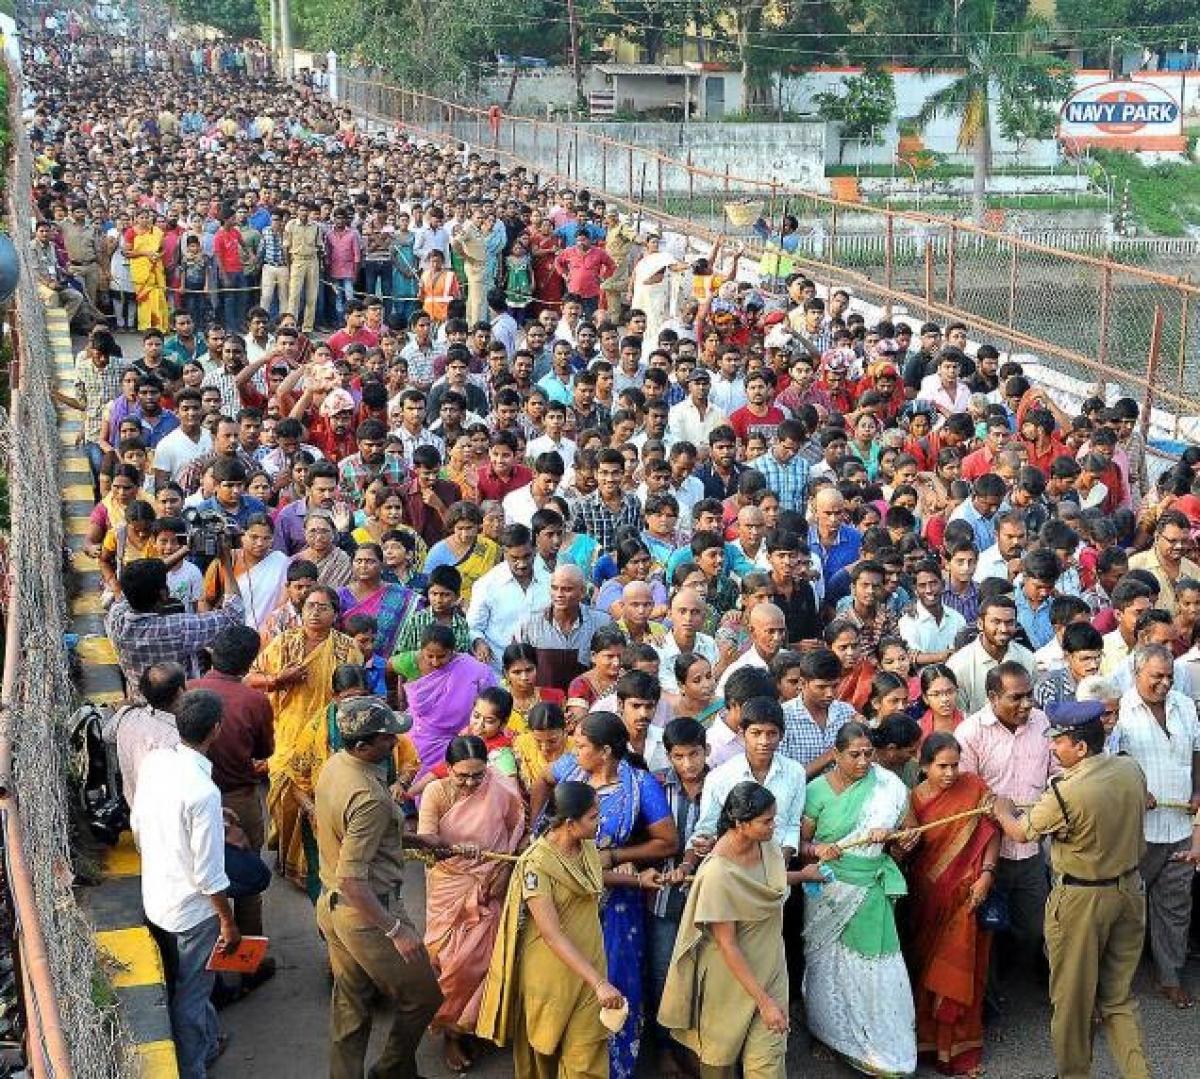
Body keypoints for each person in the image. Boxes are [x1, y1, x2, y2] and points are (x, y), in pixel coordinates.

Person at [990, 701, 1152, 1079]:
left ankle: (1073, 1074)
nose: (1052, 747)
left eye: (1058, 741)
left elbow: (1022, 832)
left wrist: (1000, 808)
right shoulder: (1130, 768)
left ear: (1080, 747)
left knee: (1072, 1002)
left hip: (1082, 900)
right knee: (1118, 998)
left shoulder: (1065, 792)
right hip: (1129, 892)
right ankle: (1138, 1073)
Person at [536, 712, 678, 1078]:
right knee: (566, 972)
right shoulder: (572, 771)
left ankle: (613, 1065)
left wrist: (616, 855)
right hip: (567, 894)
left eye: (582, 746)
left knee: (615, 976)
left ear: (605, 751)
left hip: (616, 903)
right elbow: (543, 788)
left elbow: (668, 842)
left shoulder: (639, 784)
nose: (575, 750)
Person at [313, 697, 445, 1079]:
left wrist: (420, 841)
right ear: (362, 745)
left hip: (333, 906)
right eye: (388, 738)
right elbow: (353, 878)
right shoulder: (368, 796)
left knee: (351, 1005)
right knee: (423, 997)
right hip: (367, 911)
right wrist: (395, 929)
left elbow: (358, 838)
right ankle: (391, 1071)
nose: (395, 743)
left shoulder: (338, 766)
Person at [476, 781, 625, 1077]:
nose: (600, 822)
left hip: (590, 969)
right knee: (545, 1054)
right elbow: (551, 934)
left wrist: (639, 880)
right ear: (570, 823)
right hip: (552, 977)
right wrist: (598, 983)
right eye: (593, 817)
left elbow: (594, 878)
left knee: (586, 1058)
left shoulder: (586, 848)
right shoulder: (536, 866)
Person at [131, 690, 239, 1079]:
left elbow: (140, 824)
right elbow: (210, 874)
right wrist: (227, 921)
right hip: (193, 912)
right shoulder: (202, 791)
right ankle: (194, 1068)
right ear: (216, 730)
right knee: (191, 993)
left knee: (190, 981)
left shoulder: (156, 762)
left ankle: (208, 1043)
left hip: (157, 896)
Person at [800, 720, 917, 1076]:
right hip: (828, 890)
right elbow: (800, 846)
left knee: (874, 966)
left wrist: (898, 836)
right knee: (826, 963)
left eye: (869, 753)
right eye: (854, 755)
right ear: (836, 755)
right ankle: (827, 1031)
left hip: (871, 889)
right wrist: (818, 848)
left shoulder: (888, 786)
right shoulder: (816, 790)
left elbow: (910, 832)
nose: (864, 761)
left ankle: (879, 1044)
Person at [659, 782, 791, 1079]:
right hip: (730, 981)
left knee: (768, 1067)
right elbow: (727, 944)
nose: (774, 826)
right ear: (741, 824)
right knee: (718, 1065)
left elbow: (767, 880)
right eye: (766, 821)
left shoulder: (765, 844)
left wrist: (806, 874)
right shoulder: (717, 873)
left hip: (771, 968)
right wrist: (764, 1002)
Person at [415, 735, 526, 1072]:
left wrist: (505, 868)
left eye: (477, 775)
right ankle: (451, 1033)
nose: (470, 783)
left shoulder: (502, 788)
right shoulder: (436, 792)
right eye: (462, 775)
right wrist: (449, 848)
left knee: (487, 961)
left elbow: (520, 833)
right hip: (449, 885)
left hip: (492, 884)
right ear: (448, 769)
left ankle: (477, 1025)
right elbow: (426, 841)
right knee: (452, 964)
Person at [247, 585, 363, 890]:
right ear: (301, 609)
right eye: (310, 605)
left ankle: (318, 869)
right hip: (286, 737)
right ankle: (288, 861)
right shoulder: (284, 643)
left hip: (328, 738)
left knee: (321, 804)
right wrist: (278, 679)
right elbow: (251, 678)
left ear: (336, 614)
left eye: (323, 607)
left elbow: (355, 692)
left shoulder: (347, 648)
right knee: (285, 804)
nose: (315, 612)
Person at [908, 732, 1001, 1076]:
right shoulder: (913, 801)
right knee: (927, 971)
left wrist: (987, 875)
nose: (950, 773)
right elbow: (910, 850)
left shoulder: (974, 787)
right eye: (942, 766)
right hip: (928, 900)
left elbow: (993, 832)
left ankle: (959, 1049)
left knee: (962, 969)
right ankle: (927, 1044)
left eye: (955, 765)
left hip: (969, 897)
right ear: (924, 766)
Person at [1114, 643, 1200, 1008]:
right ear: (1137, 674)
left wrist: (1197, 788)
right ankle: (1114, 984)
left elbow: (1197, 749)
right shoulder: (1120, 712)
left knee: (1176, 907)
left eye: (1169, 676)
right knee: (1126, 909)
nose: (1165, 684)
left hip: (1179, 826)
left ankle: (1169, 976)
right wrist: (1137, 788)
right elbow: (1112, 762)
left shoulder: (1183, 704)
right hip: (1139, 832)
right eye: (1156, 677)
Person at [187, 626, 274, 941]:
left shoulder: (188, 690)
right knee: (248, 882)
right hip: (239, 799)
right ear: (249, 663)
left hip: (193, 797)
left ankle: (216, 946)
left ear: (212, 652)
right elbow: (265, 751)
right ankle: (250, 960)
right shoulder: (254, 700)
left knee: (200, 873)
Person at [106, 556, 246, 692]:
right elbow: (234, 615)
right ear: (164, 594)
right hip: (179, 707)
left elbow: (135, 584)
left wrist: (186, 549)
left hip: (141, 702)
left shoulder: (116, 616)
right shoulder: (175, 628)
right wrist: (226, 563)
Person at [398, 623, 499, 782]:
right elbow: (389, 666)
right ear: (421, 650)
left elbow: (492, 703)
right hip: (417, 738)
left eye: (442, 656)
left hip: (459, 743)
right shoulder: (413, 662)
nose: (435, 662)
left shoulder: (476, 671)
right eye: (429, 656)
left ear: (453, 651)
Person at [335, 542, 422, 657]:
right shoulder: (340, 595)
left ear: (381, 565)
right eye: (358, 561)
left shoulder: (401, 595)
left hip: (389, 666)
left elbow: (416, 627)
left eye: (370, 561)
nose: (363, 566)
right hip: (346, 663)